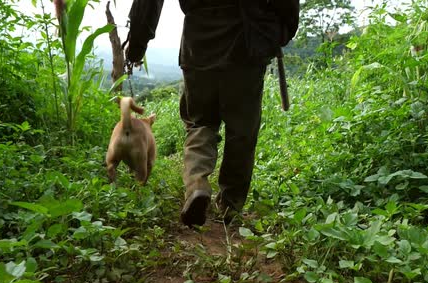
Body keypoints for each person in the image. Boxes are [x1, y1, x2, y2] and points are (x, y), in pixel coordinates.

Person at [125, 0, 299, 227]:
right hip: (247, 44)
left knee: (200, 122)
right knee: (242, 130)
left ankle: (197, 185)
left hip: (199, 43)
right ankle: (231, 206)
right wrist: (279, 31)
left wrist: (137, 44)